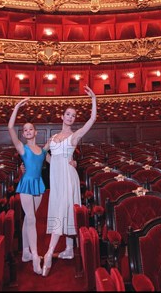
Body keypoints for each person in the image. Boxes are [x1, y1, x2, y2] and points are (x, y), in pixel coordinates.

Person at [41, 85, 97, 277]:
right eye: (68, 114)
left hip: (68, 176)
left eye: (73, 115)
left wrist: (94, 100)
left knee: (64, 209)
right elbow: (42, 155)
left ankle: (48, 253)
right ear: (62, 116)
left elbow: (92, 120)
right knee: (61, 208)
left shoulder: (75, 136)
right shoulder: (54, 137)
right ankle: (68, 249)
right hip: (56, 176)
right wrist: (54, 161)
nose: (70, 117)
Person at [8, 98, 46, 275]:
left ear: (36, 132)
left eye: (31, 129)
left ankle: (25, 253)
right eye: (25, 130)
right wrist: (17, 107)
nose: (28, 131)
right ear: (23, 134)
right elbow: (10, 128)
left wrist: (71, 163)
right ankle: (35, 256)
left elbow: (56, 162)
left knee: (29, 219)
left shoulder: (43, 150)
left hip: (38, 185)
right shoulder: (22, 149)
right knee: (31, 219)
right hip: (26, 185)